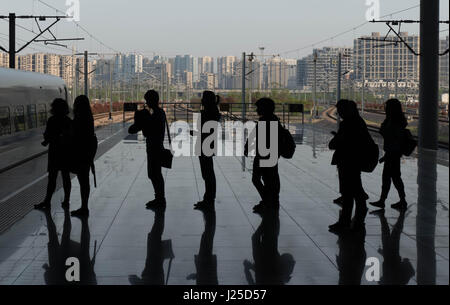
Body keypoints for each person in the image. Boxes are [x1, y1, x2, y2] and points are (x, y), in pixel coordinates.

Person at [328, 99, 370, 233]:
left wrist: (335, 140)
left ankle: (345, 221)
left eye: (340, 110)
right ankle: (359, 216)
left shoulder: (348, 124)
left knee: (347, 192)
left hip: (348, 161)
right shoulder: (358, 121)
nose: (339, 113)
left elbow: (341, 142)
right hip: (355, 161)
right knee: (356, 189)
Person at [129, 90, 167, 209]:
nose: (146, 103)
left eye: (147, 100)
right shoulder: (159, 112)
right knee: (155, 173)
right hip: (156, 145)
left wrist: (140, 118)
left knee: (154, 173)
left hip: (154, 146)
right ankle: (159, 198)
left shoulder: (154, 114)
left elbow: (136, 129)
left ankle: (160, 199)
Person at [370, 99, 408, 211]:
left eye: (387, 107)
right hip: (392, 152)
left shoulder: (394, 121)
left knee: (390, 178)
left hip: (393, 153)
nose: (385, 108)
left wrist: (387, 156)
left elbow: (390, 135)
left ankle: (389, 201)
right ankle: (398, 200)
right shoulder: (396, 120)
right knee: (394, 178)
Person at [35, 99, 72, 210]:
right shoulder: (68, 120)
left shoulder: (52, 120)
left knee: (52, 179)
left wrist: (47, 139)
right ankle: (66, 200)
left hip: (54, 152)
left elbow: (48, 135)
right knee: (66, 177)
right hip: (65, 152)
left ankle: (47, 201)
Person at [246, 98, 282, 213]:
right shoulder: (273, 120)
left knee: (259, 179)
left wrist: (247, 146)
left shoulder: (265, 121)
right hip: (270, 154)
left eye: (258, 107)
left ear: (264, 108)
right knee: (270, 179)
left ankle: (268, 201)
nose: (257, 110)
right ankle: (270, 201)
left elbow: (254, 134)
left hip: (263, 154)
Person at [194, 91, 221, 211]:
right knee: (208, 172)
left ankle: (209, 199)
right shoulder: (213, 111)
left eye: (203, 98)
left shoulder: (209, 112)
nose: (201, 100)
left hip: (205, 145)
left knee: (207, 173)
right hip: (207, 144)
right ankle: (208, 199)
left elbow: (203, 128)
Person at [70, 95, 97, 217]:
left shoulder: (79, 118)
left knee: (83, 181)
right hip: (88, 152)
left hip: (80, 152)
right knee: (84, 180)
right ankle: (84, 206)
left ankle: (84, 208)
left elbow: (75, 134)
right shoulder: (88, 117)